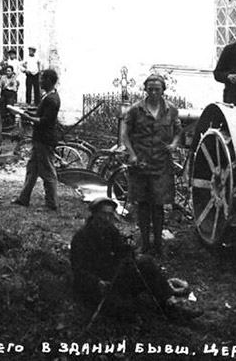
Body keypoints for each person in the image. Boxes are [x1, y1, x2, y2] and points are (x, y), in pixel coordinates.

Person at [71, 197, 202, 322]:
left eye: (109, 215)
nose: (106, 219)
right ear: (94, 214)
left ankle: (170, 304)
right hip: (97, 284)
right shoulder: (82, 237)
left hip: (114, 276)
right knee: (125, 310)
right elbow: (78, 271)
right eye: (102, 214)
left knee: (146, 262)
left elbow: (121, 251)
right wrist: (97, 282)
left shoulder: (110, 230)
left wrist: (128, 251)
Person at [122, 74, 182, 256]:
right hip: (140, 163)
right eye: (150, 89)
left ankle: (158, 244)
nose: (154, 92)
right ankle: (145, 244)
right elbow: (125, 135)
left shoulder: (171, 110)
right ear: (145, 90)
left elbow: (179, 132)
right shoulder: (135, 110)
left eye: (157, 89)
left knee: (158, 205)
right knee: (142, 204)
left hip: (161, 164)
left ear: (163, 90)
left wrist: (174, 144)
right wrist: (132, 154)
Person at [12, 69, 61, 210]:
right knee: (32, 169)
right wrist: (28, 113)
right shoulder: (49, 96)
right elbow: (41, 113)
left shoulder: (52, 99)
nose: (39, 82)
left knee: (48, 172)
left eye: (42, 79)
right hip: (40, 138)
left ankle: (51, 204)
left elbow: (45, 120)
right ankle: (24, 198)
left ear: (49, 81)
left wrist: (28, 117)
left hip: (45, 139)